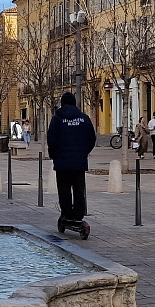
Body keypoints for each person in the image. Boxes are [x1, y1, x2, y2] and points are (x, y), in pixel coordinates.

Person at [47, 92, 96, 226]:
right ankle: (79, 214)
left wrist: (53, 154)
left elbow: (51, 139)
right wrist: (83, 152)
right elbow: (92, 138)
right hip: (79, 162)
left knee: (64, 190)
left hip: (62, 162)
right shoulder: (84, 118)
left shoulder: (57, 119)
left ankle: (67, 214)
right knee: (79, 189)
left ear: (62, 103)